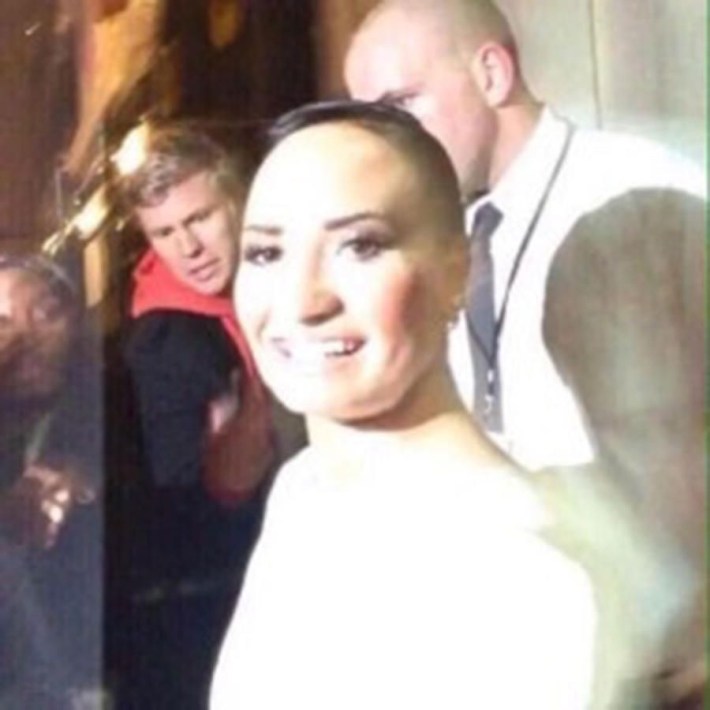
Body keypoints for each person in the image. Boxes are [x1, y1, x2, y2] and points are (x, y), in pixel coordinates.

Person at [209, 100, 680, 710]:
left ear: (461, 269)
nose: (302, 301)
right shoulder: (305, 490)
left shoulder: (517, 575)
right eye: (266, 253)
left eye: (360, 246)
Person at [345, 1, 705, 696]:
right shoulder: (450, 236)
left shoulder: (644, 195)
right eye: (374, 122)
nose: (389, 146)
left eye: (403, 105)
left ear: (491, 73)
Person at [114, 123, 304, 709]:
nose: (187, 248)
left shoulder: (289, 283)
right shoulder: (161, 342)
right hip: (223, 608)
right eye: (164, 232)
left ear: (238, 201)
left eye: (199, 218)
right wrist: (229, 480)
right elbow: (173, 513)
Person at [0, 254, 100, 708]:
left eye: (44, 314)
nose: (25, 337)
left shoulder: (110, 400)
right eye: (2, 322)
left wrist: (84, 480)